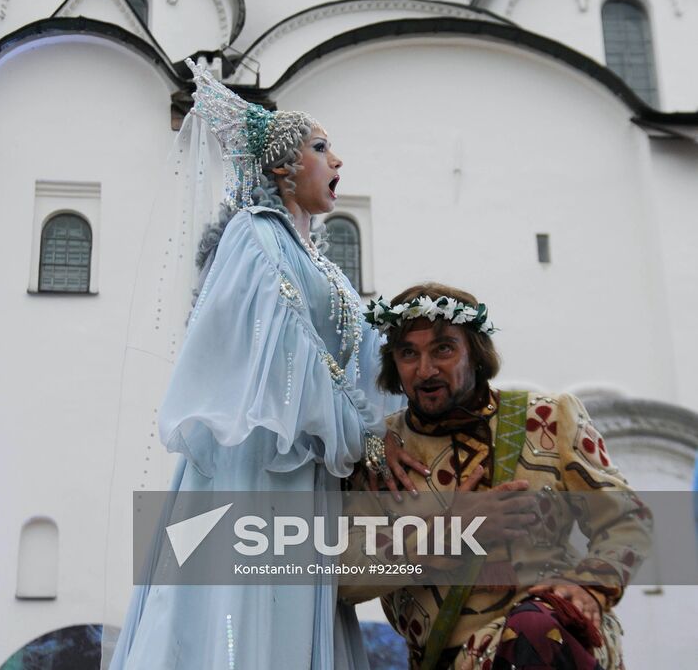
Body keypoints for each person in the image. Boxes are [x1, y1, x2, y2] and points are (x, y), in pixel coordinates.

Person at [109, 60, 415, 669]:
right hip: (259, 464)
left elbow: (358, 357)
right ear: (281, 167)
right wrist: (364, 436)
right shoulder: (254, 234)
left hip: (308, 469)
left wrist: (394, 418)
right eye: (321, 147)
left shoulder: (323, 263)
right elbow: (282, 346)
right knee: (241, 620)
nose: (338, 161)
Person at [340, 282, 651, 670]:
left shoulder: (550, 418)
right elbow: (342, 575)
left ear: (475, 352)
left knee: (534, 630)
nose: (425, 369)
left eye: (443, 349)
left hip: (559, 642)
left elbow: (627, 519)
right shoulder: (381, 452)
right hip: (452, 659)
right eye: (408, 353)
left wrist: (590, 587)